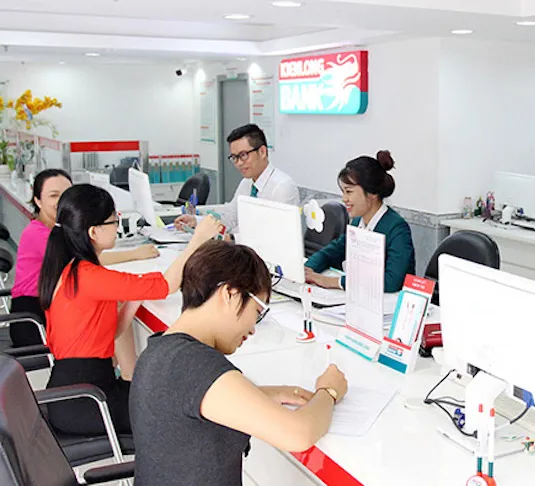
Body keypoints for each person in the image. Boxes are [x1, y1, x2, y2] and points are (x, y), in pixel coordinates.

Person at [130, 240, 348, 485]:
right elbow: (299, 434)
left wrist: (264, 394)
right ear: (230, 294)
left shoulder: (162, 349)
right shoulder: (193, 364)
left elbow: (191, 400)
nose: (253, 329)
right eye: (257, 312)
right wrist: (328, 391)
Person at [38, 184, 223, 436]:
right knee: (180, 413)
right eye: (114, 221)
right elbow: (167, 285)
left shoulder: (71, 269)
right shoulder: (89, 276)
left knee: (161, 396)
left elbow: (111, 332)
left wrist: (137, 294)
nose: (117, 226)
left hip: (76, 394)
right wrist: (198, 239)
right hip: (88, 402)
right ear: (94, 231)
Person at [10, 169, 159, 347]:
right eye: (53, 195)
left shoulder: (61, 229)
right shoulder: (38, 233)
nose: (62, 201)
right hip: (33, 319)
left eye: (66, 194)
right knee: (107, 307)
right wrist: (134, 254)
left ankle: (124, 365)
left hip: (51, 309)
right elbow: (83, 259)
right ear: (37, 201)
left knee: (110, 305)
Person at [304, 150, 416, 293]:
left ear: (372, 193)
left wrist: (333, 282)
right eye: (343, 192)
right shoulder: (357, 222)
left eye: (349, 192)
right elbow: (331, 253)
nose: (344, 199)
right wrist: (307, 270)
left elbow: (391, 281)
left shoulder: (397, 228)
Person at [174, 124, 299, 233]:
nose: (239, 163)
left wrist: (233, 238)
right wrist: (196, 221)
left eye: (243, 155)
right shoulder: (247, 182)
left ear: (262, 152)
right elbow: (231, 218)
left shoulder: (282, 187)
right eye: (234, 157)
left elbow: (273, 234)